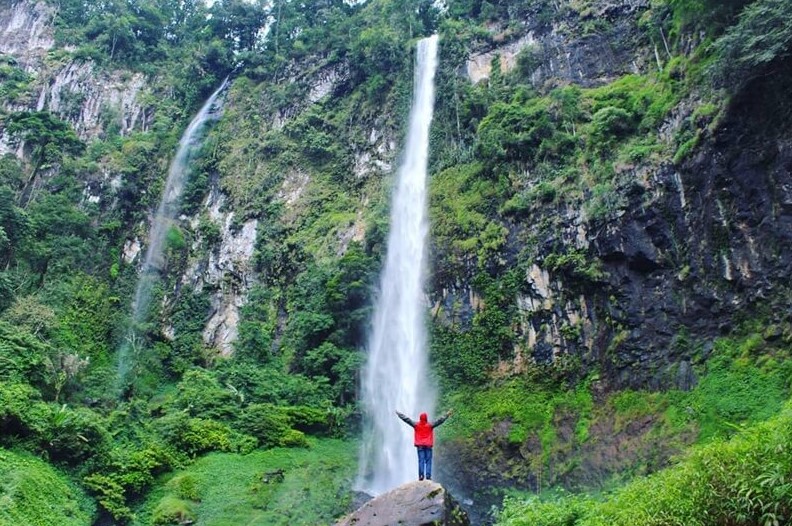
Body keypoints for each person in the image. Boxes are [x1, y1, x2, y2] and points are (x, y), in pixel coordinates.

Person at [395, 409, 452, 481]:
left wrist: (399, 414)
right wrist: (447, 414)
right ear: (426, 418)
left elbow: (407, 419)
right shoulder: (430, 425)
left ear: (420, 418)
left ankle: (421, 476)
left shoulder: (416, 425)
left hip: (420, 446)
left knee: (421, 460)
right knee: (428, 461)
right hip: (428, 445)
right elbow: (440, 420)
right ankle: (428, 476)